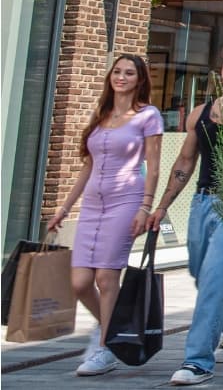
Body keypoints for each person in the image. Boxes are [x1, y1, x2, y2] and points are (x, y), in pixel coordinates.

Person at [149, 44, 223, 386]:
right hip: (202, 203)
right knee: (201, 274)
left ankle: (197, 360)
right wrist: (162, 206)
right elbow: (185, 161)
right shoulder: (201, 113)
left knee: (213, 281)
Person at [46, 54, 163, 376]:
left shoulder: (148, 116)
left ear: (140, 80)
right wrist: (64, 208)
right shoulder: (101, 114)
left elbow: (153, 166)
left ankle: (105, 349)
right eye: (117, 71)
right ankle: (109, 327)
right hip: (92, 205)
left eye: (129, 73)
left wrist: (145, 207)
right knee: (80, 282)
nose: (121, 77)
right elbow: (88, 166)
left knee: (106, 277)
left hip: (126, 201)